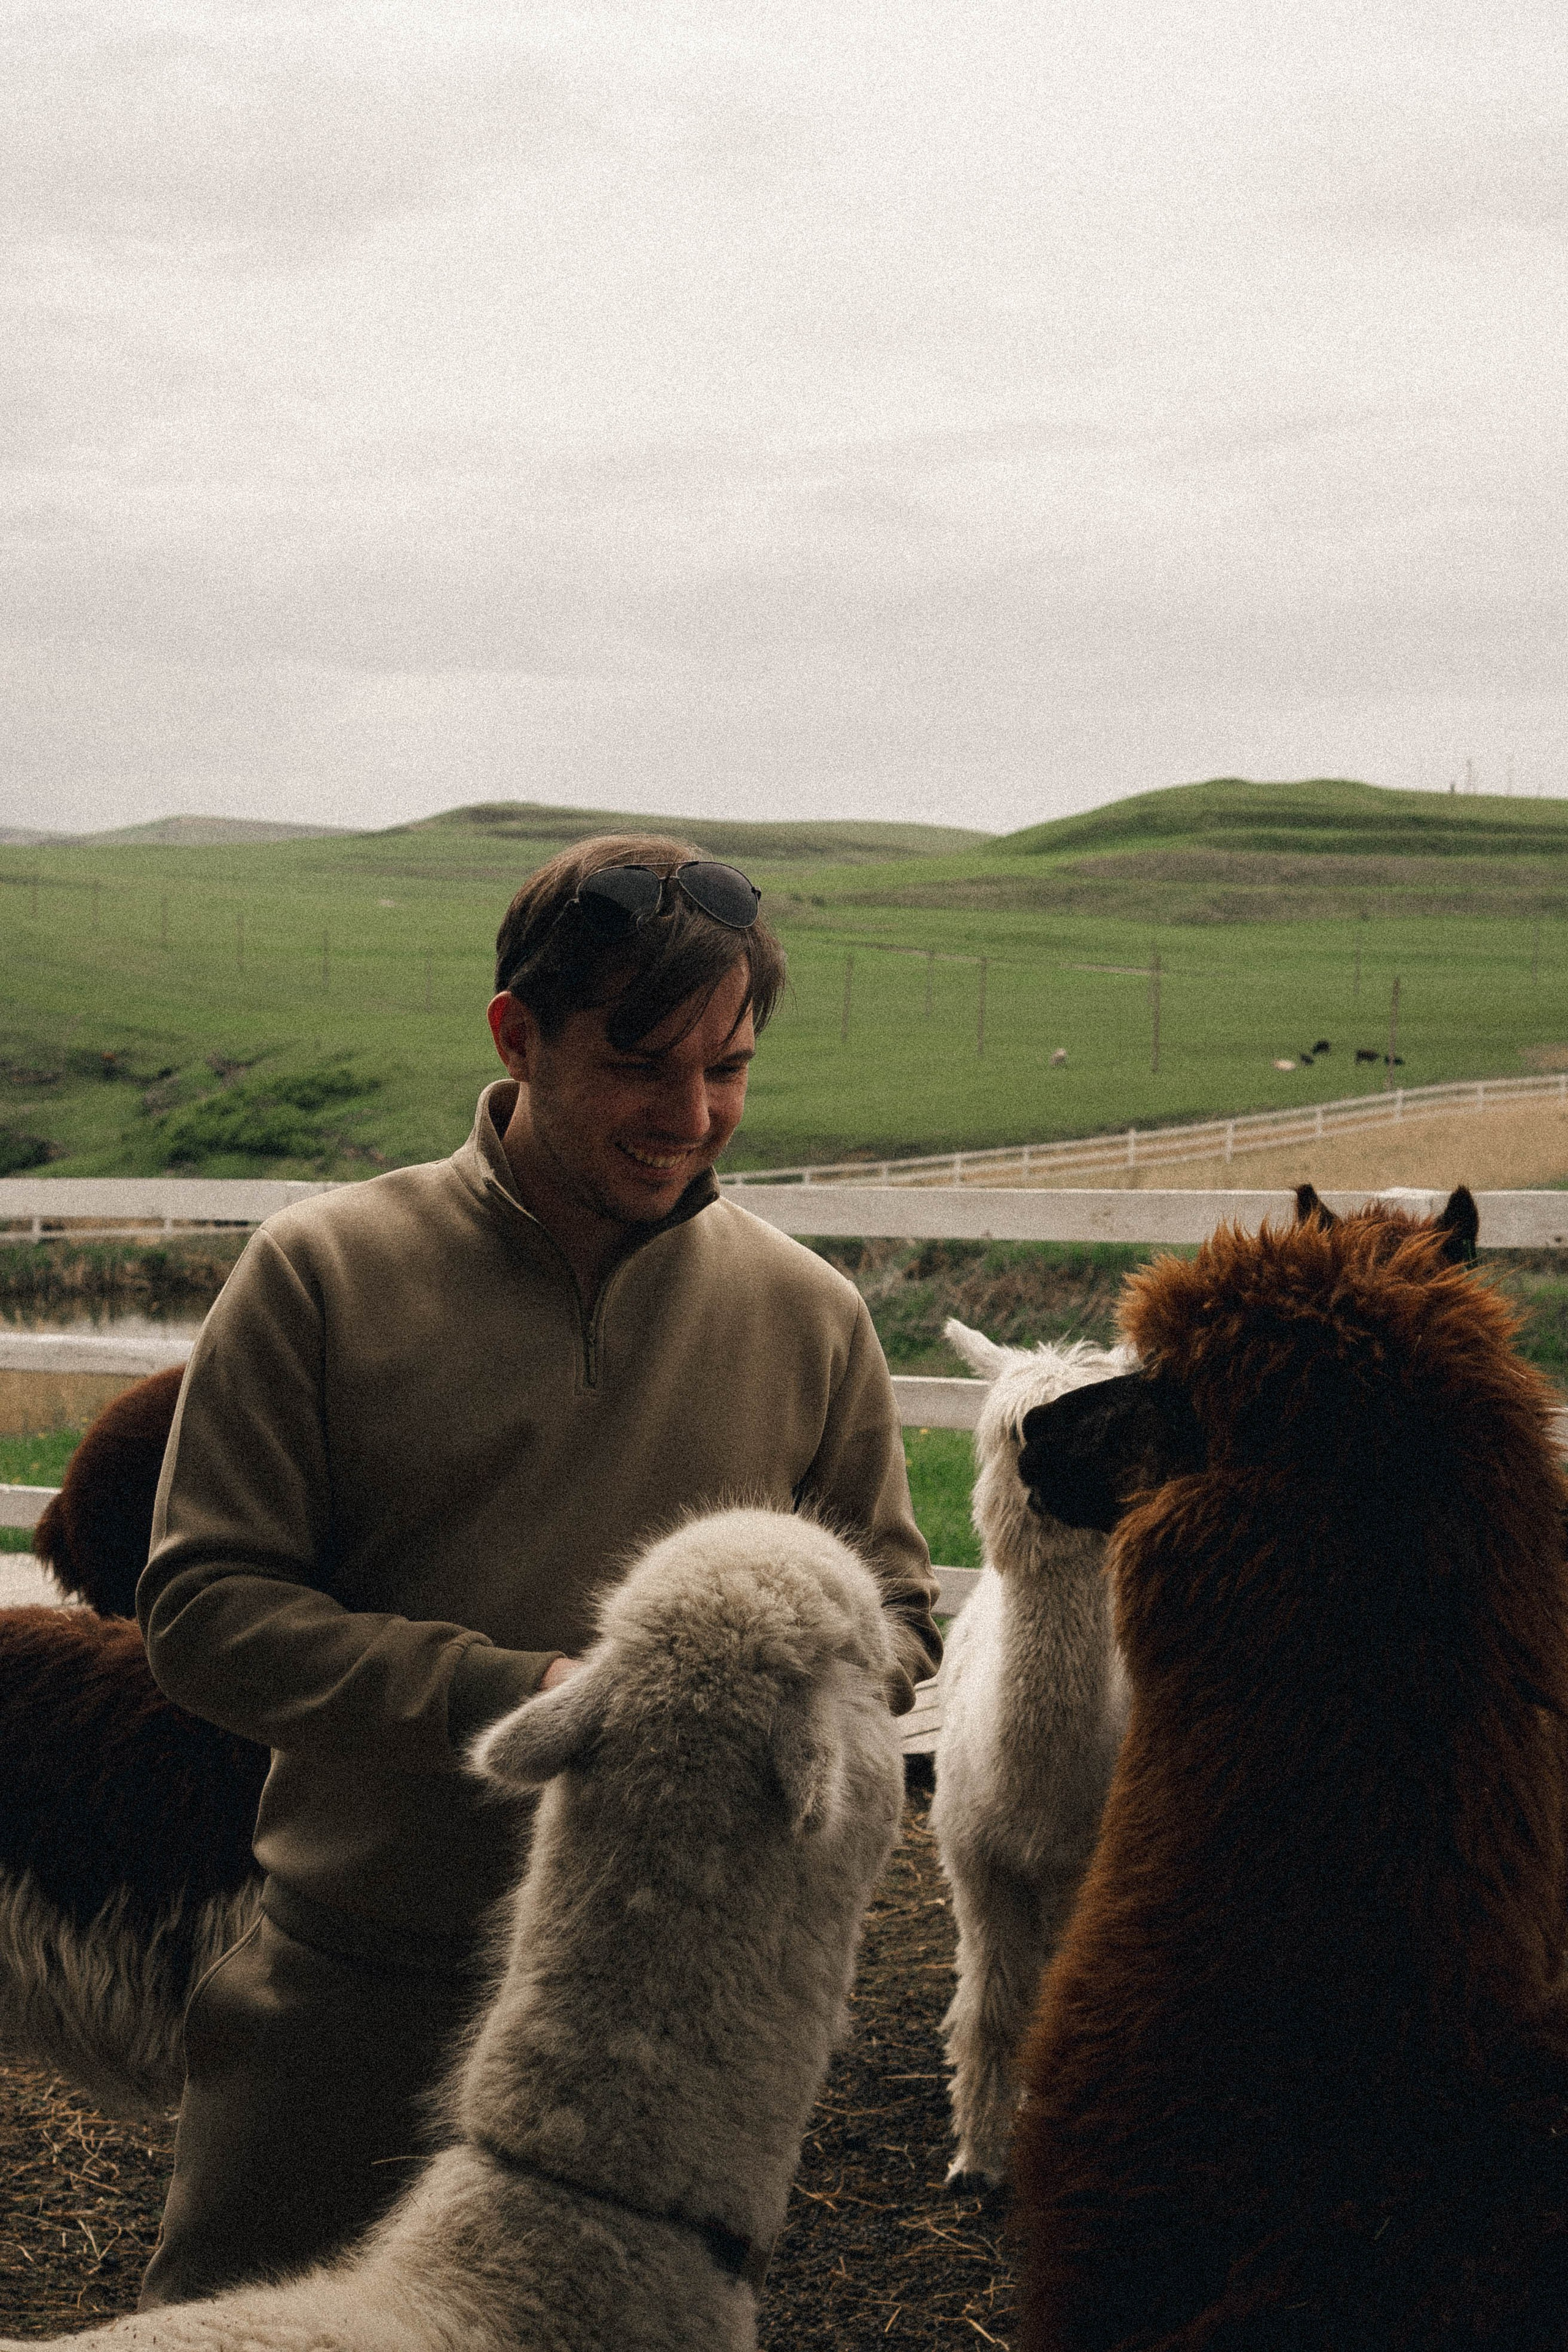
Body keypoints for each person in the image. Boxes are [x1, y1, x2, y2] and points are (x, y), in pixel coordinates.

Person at [136, 831, 941, 2308]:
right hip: (352, 1997)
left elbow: (892, 1609)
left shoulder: (809, 1316)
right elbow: (203, 1612)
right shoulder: (318, 1274)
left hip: (653, 2037)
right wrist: (516, 1697)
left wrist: (734, 1696)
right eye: (641, 1065)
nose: (690, 1115)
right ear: (517, 1034)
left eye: (730, 1069)